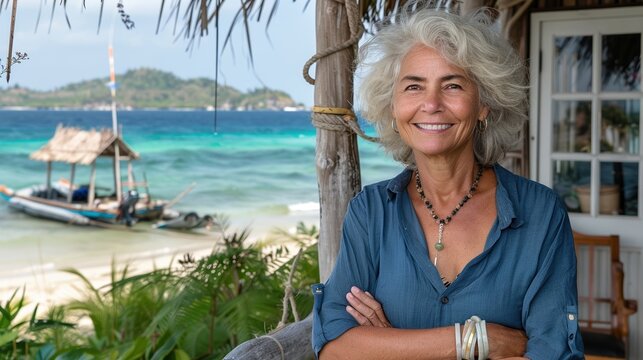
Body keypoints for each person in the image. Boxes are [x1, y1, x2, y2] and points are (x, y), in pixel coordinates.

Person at [311, 5, 584, 360]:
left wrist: (392, 346)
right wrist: (475, 340)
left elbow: (554, 354)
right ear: (394, 107)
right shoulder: (370, 211)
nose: (431, 104)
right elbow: (334, 348)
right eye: (413, 86)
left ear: (484, 103)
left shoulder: (540, 213)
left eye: (452, 85)